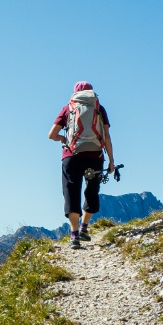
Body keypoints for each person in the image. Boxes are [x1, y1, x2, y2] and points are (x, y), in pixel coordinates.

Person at [48, 81, 115, 249]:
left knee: (71, 192)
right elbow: (106, 136)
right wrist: (111, 161)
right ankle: (84, 227)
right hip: (95, 157)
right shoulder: (99, 109)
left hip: (72, 156)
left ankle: (74, 235)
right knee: (92, 191)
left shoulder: (68, 108)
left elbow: (52, 135)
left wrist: (63, 139)